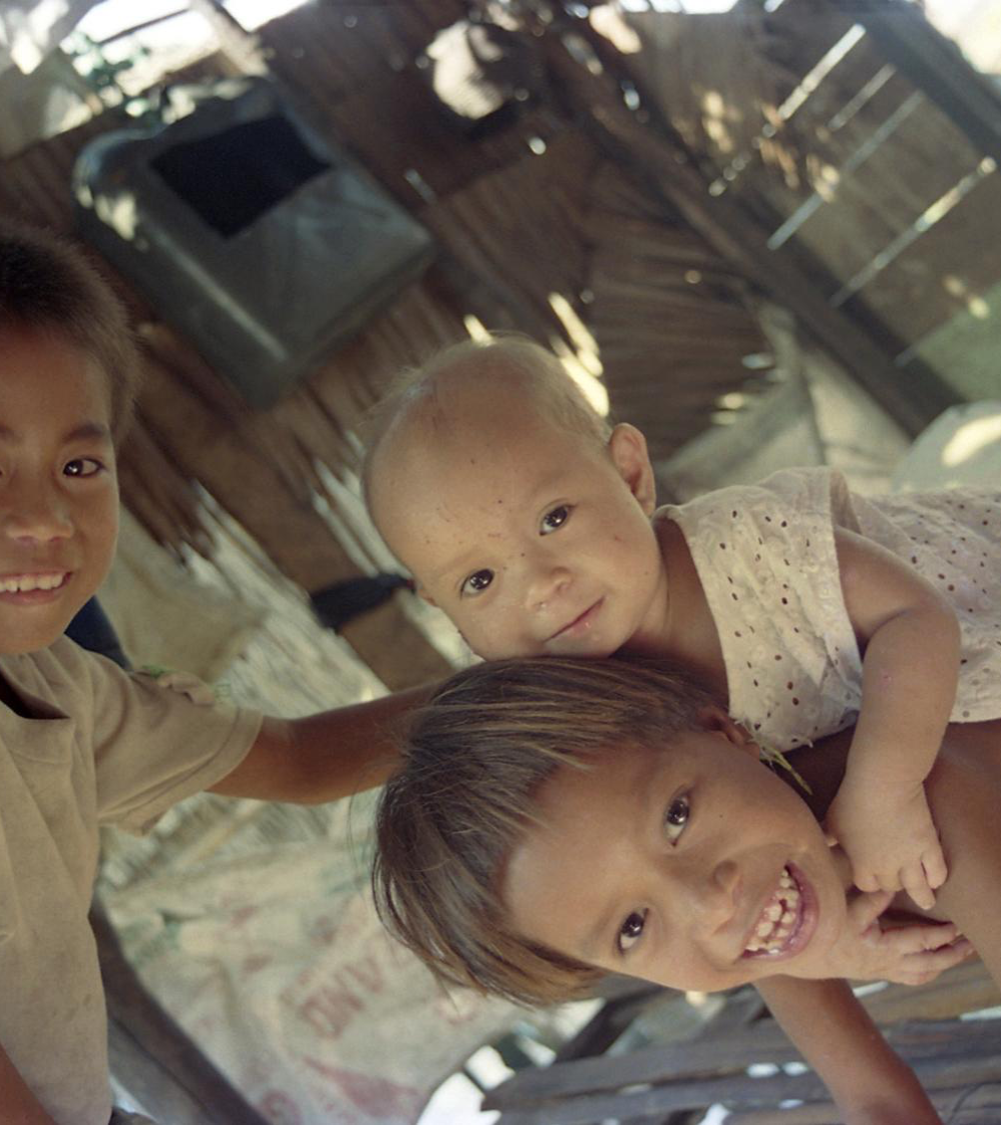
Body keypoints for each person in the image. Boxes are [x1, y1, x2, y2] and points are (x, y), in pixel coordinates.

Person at [0, 221, 424, 1124]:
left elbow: (304, 761)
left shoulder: (57, 688)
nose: (42, 515)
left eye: (78, 464)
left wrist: (524, 692)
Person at [362, 333, 1000, 910]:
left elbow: (915, 619)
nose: (539, 586)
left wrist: (883, 789)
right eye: (480, 581)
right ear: (445, 613)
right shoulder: (579, 711)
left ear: (630, 474)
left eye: (554, 519)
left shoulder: (747, 547)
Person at [373, 655, 1000, 1124]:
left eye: (677, 816)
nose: (707, 904)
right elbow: (877, 1103)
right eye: (633, 927)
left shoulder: (929, 801)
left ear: (726, 733)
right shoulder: (771, 925)